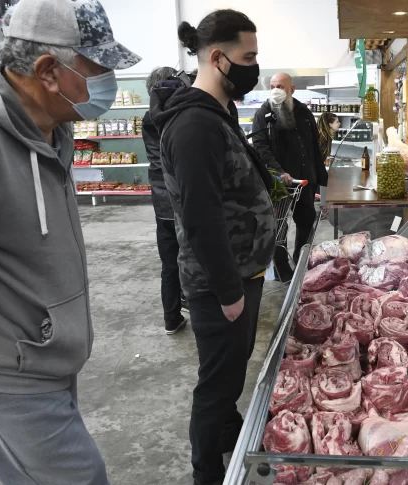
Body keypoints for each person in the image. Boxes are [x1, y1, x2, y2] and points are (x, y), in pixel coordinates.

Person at [0, 0, 140, 483]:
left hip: (49, 353)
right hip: (5, 369)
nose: (108, 83)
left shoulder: (52, 128)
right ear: (48, 71)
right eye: (99, 68)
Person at [149, 10, 276, 485]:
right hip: (219, 283)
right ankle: (206, 472)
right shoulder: (193, 126)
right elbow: (200, 220)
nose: (254, 66)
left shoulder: (217, 113)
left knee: (229, 373)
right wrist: (228, 292)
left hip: (242, 271)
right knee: (216, 384)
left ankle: (230, 433)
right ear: (218, 58)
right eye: (249, 57)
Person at [252, 72, 329, 271]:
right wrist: (279, 172)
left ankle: (300, 261)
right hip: (280, 182)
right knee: (279, 226)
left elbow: (312, 145)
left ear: (292, 89)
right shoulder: (264, 113)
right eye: (272, 86)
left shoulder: (303, 111)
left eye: (281, 86)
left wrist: (319, 175)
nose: (276, 90)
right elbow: (260, 146)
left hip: (305, 179)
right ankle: (282, 268)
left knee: (306, 221)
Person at [142, 66, 190, 335]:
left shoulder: (148, 116)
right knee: (196, 256)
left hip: (162, 201)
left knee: (169, 263)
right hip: (182, 199)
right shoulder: (177, 116)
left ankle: (171, 317)